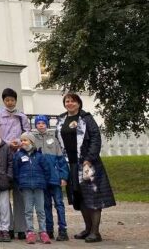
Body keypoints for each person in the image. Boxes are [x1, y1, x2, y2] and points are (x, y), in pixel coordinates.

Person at [55, 93, 115, 243]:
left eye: (73, 101)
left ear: (79, 103)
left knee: (93, 197)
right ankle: (88, 229)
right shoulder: (61, 119)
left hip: (87, 163)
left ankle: (95, 232)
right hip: (72, 164)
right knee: (79, 196)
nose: (70, 103)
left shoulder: (86, 118)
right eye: (67, 101)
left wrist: (89, 159)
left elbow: (96, 138)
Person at [0, 87, 31, 239]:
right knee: (3, 192)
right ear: (3, 101)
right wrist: (8, 144)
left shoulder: (22, 116)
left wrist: (21, 143)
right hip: (3, 156)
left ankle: (21, 227)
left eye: (12, 100)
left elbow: (28, 134)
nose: (9, 102)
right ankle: (7, 226)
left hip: (20, 156)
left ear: (15, 100)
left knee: (20, 192)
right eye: (7, 100)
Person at [33, 115, 69, 241]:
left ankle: (63, 230)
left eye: (43, 123)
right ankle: (49, 230)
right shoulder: (33, 140)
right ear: (35, 125)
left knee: (59, 204)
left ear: (47, 125)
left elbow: (61, 160)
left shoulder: (54, 140)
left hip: (55, 178)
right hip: (42, 180)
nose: (41, 125)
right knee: (45, 205)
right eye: (38, 123)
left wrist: (63, 176)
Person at [13, 132, 52, 244]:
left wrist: (44, 182)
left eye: (25, 140)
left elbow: (47, 170)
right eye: (22, 140)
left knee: (40, 210)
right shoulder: (18, 155)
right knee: (28, 210)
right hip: (26, 187)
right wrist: (20, 182)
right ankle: (30, 232)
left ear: (32, 142)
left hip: (39, 186)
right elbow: (16, 171)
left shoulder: (39, 156)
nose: (23, 142)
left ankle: (43, 232)